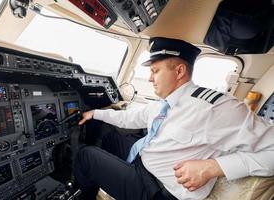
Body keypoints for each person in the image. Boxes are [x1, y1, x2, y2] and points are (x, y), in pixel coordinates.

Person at [74, 37, 274, 200]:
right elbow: (132, 118)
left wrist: (212, 167)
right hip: (143, 162)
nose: (151, 78)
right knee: (105, 132)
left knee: (86, 156)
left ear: (179, 71)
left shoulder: (216, 108)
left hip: (159, 189)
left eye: (155, 71)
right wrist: (96, 114)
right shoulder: (164, 102)